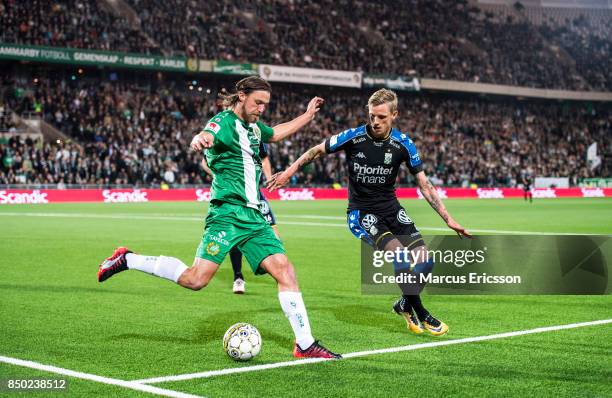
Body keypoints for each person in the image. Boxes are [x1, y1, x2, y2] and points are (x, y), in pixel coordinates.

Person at [98, 76, 341, 359]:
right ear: (241, 96)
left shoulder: (252, 128)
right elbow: (206, 135)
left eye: (265, 104)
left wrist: (308, 115)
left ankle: (305, 344)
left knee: (285, 270)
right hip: (226, 213)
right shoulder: (223, 122)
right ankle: (128, 258)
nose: (261, 108)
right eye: (257, 102)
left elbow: (275, 133)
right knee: (196, 279)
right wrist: (200, 140)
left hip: (253, 215)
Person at [268, 88, 471, 336]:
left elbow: (424, 184)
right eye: (372, 115)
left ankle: (404, 303)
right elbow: (317, 150)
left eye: (381, 117)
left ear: (394, 115)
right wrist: (289, 173)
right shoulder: (354, 137)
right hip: (362, 214)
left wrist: (448, 219)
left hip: (391, 208)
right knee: (400, 256)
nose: (375, 121)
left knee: (426, 260)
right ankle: (421, 311)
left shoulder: (403, 144)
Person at [201, 141, 280, 294]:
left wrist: (269, 178)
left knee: (275, 235)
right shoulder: (224, 134)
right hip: (234, 195)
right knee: (235, 233)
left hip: (255, 194)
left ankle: (271, 268)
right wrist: (220, 175)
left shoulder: (255, 135)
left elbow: (264, 158)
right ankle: (238, 277)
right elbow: (205, 162)